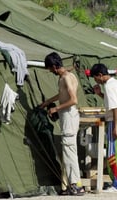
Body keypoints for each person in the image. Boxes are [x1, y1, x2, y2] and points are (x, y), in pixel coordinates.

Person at [40, 52, 84, 195]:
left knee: (70, 152)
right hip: (68, 116)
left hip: (69, 116)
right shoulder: (67, 76)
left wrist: (56, 108)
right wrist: (47, 102)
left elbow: (73, 99)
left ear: (54, 66)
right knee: (68, 152)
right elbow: (62, 94)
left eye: (50, 68)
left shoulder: (66, 78)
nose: (50, 71)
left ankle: (76, 184)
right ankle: (71, 184)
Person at [90, 63, 117, 193]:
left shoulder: (109, 86)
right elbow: (113, 102)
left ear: (100, 75)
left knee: (113, 154)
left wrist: (114, 126)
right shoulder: (116, 83)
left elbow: (116, 107)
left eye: (96, 78)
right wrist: (99, 94)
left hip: (116, 120)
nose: (96, 81)